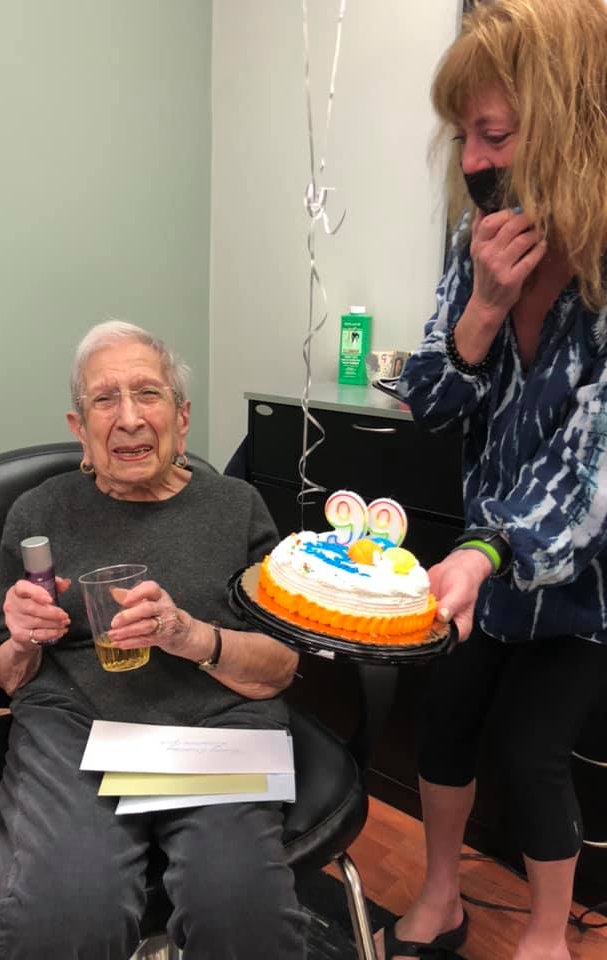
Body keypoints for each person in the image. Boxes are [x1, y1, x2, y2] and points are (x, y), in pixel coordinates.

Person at [382, 2, 607, 958]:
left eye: (496, 135)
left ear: (571, 128)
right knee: (444, 719)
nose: (474, 161)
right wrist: (482, 307)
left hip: (582, 583)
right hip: (483, 564)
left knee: (532, 752)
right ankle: (442, 897)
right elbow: (430, 401)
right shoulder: (476, 242)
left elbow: (590, 469)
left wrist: (486, 548)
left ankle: (548, 935)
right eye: (464, 136)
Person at [0, 320, 306, 960]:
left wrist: (192, 636)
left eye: (148, 394)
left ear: (181, 418)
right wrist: (23, 639)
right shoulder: (38, 514)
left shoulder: (237, 506)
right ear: (80, 428)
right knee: (65, 916)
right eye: (104, 399)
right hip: (76, 726)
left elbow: (278, 667)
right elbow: (5, 675)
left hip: (217, 726)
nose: (129, 418)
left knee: (241, 914)